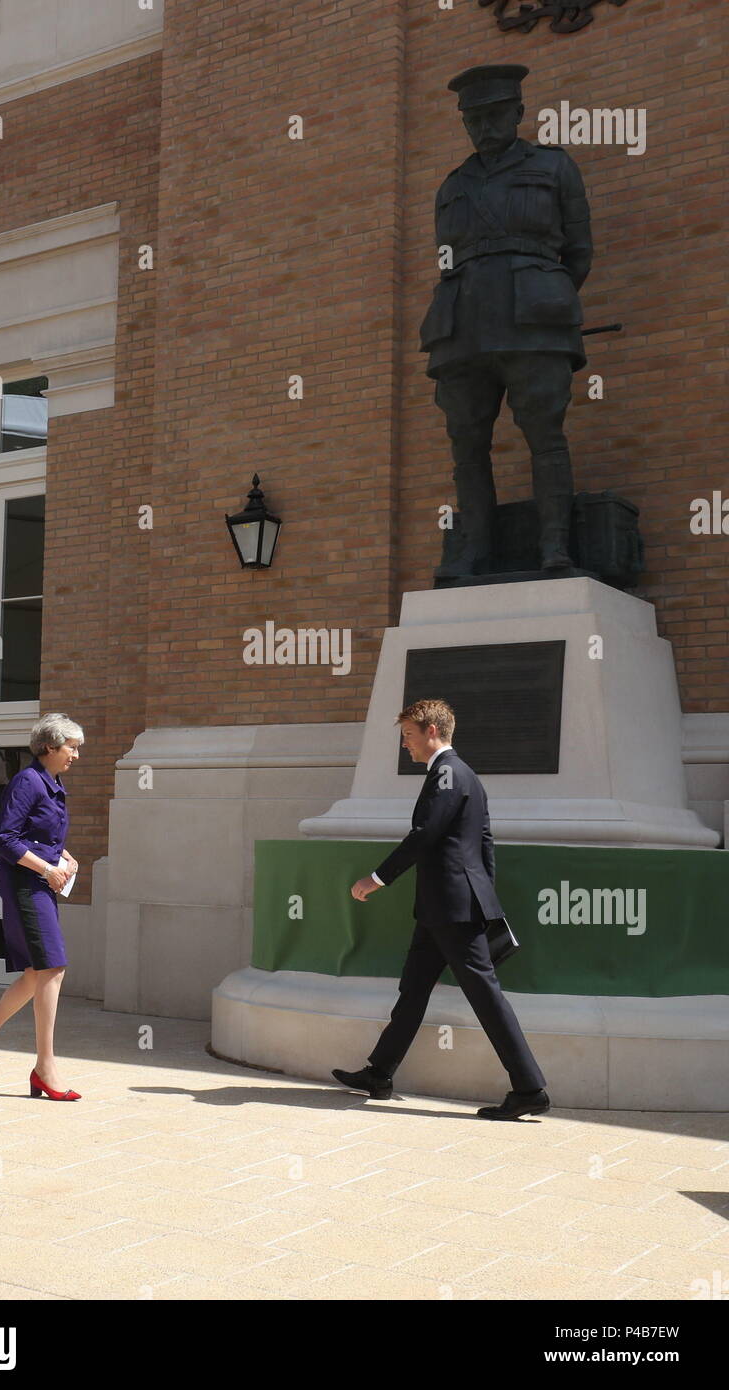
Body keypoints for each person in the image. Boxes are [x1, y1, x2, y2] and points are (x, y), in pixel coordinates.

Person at [332, 698, 549, 1120]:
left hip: (453, 909)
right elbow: (484, 843)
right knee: (413, 990)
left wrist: (376, 879)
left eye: (409, 736)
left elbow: (424, 834)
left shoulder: (449, 773)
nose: (406, 746)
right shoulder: (463, 776)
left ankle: (529, 1087)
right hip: (443, 908)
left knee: (486, 997)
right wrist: (483, 895)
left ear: (432, 731)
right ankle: (380, 1073)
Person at [421, 63, 593, 575]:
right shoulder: (452, 185)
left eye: (494, 114)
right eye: (473, 119)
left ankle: (554, 546)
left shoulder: (555, 167)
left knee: (545, 435)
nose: (484, 127)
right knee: (467, 444)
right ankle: (475, 550)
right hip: (461, 328)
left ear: (517, 112)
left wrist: (544, 299)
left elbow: (579, 254)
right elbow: (446, 259)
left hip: (533, 321)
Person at [0, 713, 84, 1101]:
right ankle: (45, 1067)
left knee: (34, 974)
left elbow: (38, 835)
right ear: (48, 747)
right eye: (70, 748)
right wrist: (47, 867)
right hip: (25, 884)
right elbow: (5, 838)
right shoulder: (28, 781)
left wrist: (64, 858)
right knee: (52, 967)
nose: (75, 755)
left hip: (39, 881)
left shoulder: (52, 783)